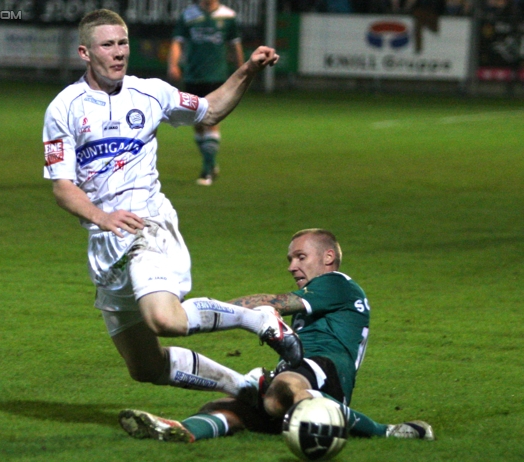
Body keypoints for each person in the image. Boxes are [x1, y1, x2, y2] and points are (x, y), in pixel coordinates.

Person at [42, 9, 303, 402]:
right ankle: (248, 388)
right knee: (146, 368)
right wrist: (101, 217)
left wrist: (248, 69)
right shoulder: (63, 109)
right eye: (107, 45)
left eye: (123, 43)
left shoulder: (151, 92)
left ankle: (257, 318)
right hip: (106, 241)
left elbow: (210, 109)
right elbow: (63, 187)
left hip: (147, 226)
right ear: (85, 52)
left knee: (165, 319)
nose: (118, 53)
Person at [119, 229, 435, 442]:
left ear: (327, 258)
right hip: (299, 373)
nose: (292, 266)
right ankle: (180, 431)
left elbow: (274, 303)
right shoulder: (320, 294)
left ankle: (387, 432)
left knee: (283, 388)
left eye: (300, 257)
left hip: (326, 369)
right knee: (221, 408)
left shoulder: (337, 282)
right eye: (290, 260)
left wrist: (210, 313)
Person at [168, 0, 244, 186]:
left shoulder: (228, 16)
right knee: (197, 123)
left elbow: (235, 45)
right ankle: (210, 160)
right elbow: (177, 42)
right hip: (193, 76)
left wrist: (242, 70)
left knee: (211, 119)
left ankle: (207, 170)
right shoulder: (188, 15)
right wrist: (173, 65)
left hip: (216, 76)